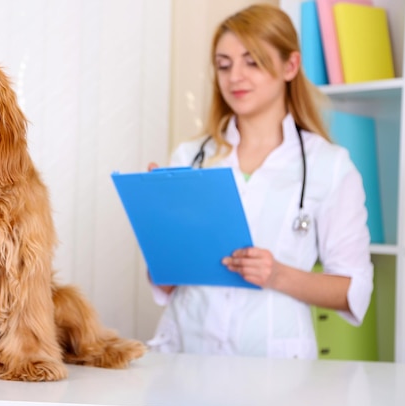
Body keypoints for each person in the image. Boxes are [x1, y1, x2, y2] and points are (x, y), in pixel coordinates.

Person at [146, 3, 373, 358]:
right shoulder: (189, 158)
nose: (234, 76)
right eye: (224, 64)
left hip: (277, 366)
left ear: (290, 65)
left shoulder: (330, 166)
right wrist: (160, 226)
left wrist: (277, 274)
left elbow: (351, 290)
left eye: (252, 61)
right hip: (185, 353)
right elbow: (167, 281)